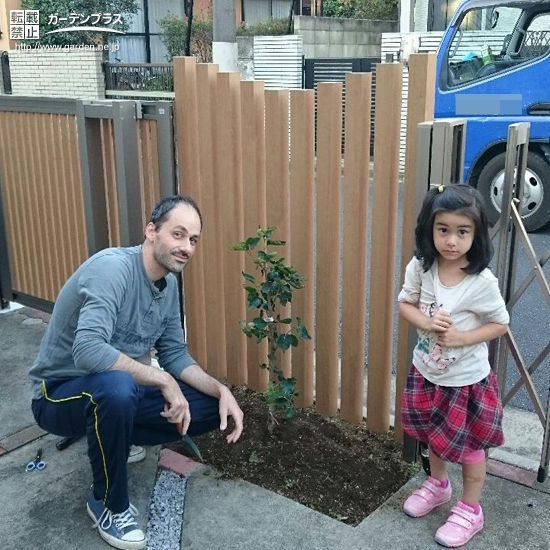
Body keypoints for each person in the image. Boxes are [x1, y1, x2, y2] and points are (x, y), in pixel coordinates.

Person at [29, 195, 244, 550]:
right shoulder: (113, 269)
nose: (186, 247)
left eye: (193, 240)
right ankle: (107, 504)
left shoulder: (169, 285)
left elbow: (174, 354)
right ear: (151, 231)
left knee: (207, 406)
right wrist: (163, 380)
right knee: (116, 387)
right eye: (178, 234)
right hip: (58, 393)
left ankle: (117, 436)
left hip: (116, 390)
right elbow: (88, 350)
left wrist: (222, 390)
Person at [398, 184, 509, 548]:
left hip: (465, 382)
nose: (451, 240)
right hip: (427, 374)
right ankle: (439, 485)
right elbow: (406, 303)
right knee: (434, 437)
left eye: (462, 231)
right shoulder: (421, 267)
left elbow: (500, 323)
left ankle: (471, 508)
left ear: (476, 235)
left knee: (471, 448)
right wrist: (426, 324)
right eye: (442, 229)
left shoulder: (481, 281)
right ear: (429, 230)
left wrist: (462, 338)